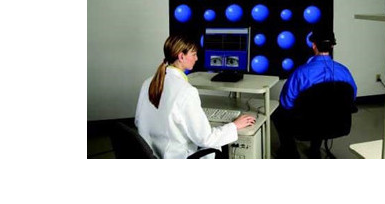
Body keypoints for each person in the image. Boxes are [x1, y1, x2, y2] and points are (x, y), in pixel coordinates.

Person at [135, 35, 256, 158]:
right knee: (215, 146)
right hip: (177, 157)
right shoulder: (186, 91)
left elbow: (138, 121)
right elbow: (206, 139)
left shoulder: (148, 82)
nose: (196, 58)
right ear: (181, 57)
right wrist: (234, 126)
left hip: (150, 155)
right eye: (193, 54)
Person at [273, 26, 357, 158]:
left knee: (277, 113)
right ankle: (314, 151)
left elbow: (286, 103)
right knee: (322, 110)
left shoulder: (301, 73)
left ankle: (290, 153)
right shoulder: (345, 72)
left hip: (305, 126)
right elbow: (351, 98)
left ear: (313, 45)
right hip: (336, 124)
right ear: (332, 46)